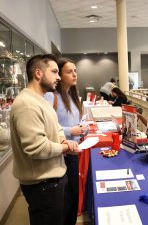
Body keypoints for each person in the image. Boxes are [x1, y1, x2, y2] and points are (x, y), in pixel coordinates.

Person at [10, 54, 80, 225]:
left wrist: (64, 141)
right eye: (55, 72)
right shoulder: (26, 104)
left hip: (53, 180)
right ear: (38, 73)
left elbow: (56, 128)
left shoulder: (41, 100)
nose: (58, 77)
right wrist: (65, 148)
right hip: (43, 185)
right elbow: (36, 148)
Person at [45, 57, 88, 225]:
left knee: (73, 198)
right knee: (65, 201)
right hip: (62, 153)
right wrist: (71, 130)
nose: (74, 74)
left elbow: (77, 121)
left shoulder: (74, 96)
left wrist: (84, 127)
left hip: (75, 151)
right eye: (69, 71)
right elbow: (50, 127)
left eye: (75, 71)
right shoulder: (51, 96)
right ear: (60, 76)